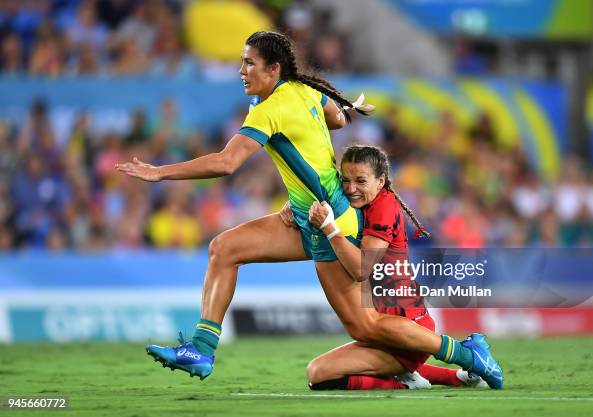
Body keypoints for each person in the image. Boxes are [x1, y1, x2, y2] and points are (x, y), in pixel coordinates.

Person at [115, 31, 503, 389]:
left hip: (329, 219)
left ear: (274, 69)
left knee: (365, 326)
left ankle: (467, 354)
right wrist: (339, 120)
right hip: (306, 214)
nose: (241, 70)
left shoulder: (268, 110)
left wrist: (159, 172)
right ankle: (201, 348)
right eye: (241, 62)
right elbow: (335, 117)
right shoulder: (302, 91)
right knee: (224, 248)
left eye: (250, 63)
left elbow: (226, 163)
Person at [280, 145, 488, 390]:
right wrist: (299, 207)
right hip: (379, 328)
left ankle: (415, 379)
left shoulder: (384, 207)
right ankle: (455, 377)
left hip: (404, 327)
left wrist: (329, 229)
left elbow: (361, 269)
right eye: (345, 180)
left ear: (380, 181)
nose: (351, 188)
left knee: (322, 376)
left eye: (360, 181)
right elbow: (326, 193)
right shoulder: (355, 204)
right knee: (317, 373)